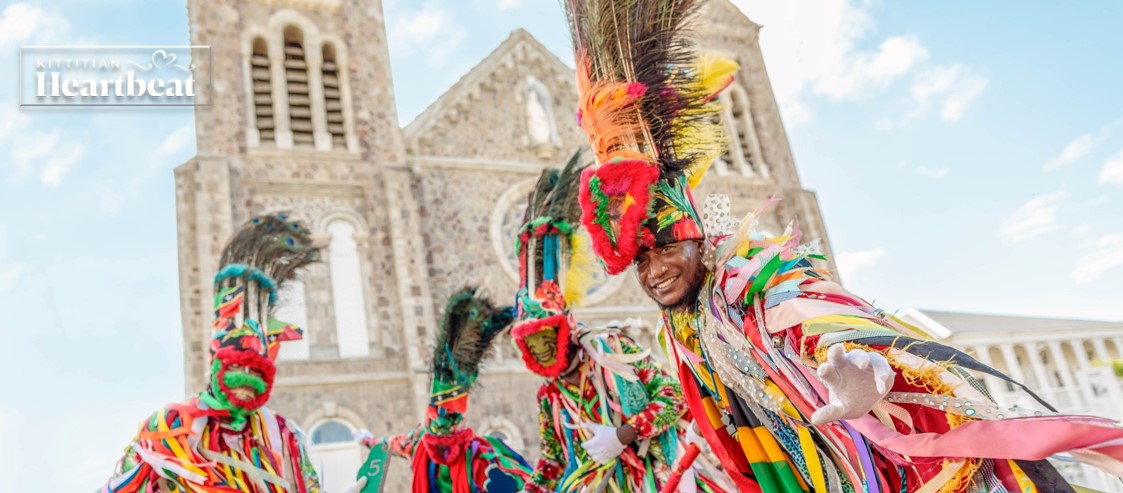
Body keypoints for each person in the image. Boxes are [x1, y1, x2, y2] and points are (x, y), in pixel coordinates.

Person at [560, 0, 1123, 491]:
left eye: (665, 247)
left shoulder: (748, 286)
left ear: (699, 241)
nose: (655, 268)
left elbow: (819, 320)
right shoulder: (683, 325)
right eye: (639, 258)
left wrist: (870, 370)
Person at [100, 212, 367, 493]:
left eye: (258, 372)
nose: (248, 380)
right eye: (239, 367)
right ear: (217, 367)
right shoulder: (170, 426)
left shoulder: (281, 434)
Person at [511, 159, 733, 493]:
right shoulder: (550, 398)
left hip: (665, 478)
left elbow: (673, 396)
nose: (541, 347)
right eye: (531, 342)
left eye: (546, 336)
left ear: (565, 328)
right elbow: (551, 462)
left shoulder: (612, 351)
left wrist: (622, 435)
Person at [358, 286, 532, 493]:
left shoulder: (480, 455)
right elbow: (389, 445)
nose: (441, 428)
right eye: (437, 423)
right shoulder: (418, 443)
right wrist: (367, 440)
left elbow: (521, 481)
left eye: (447, 423)